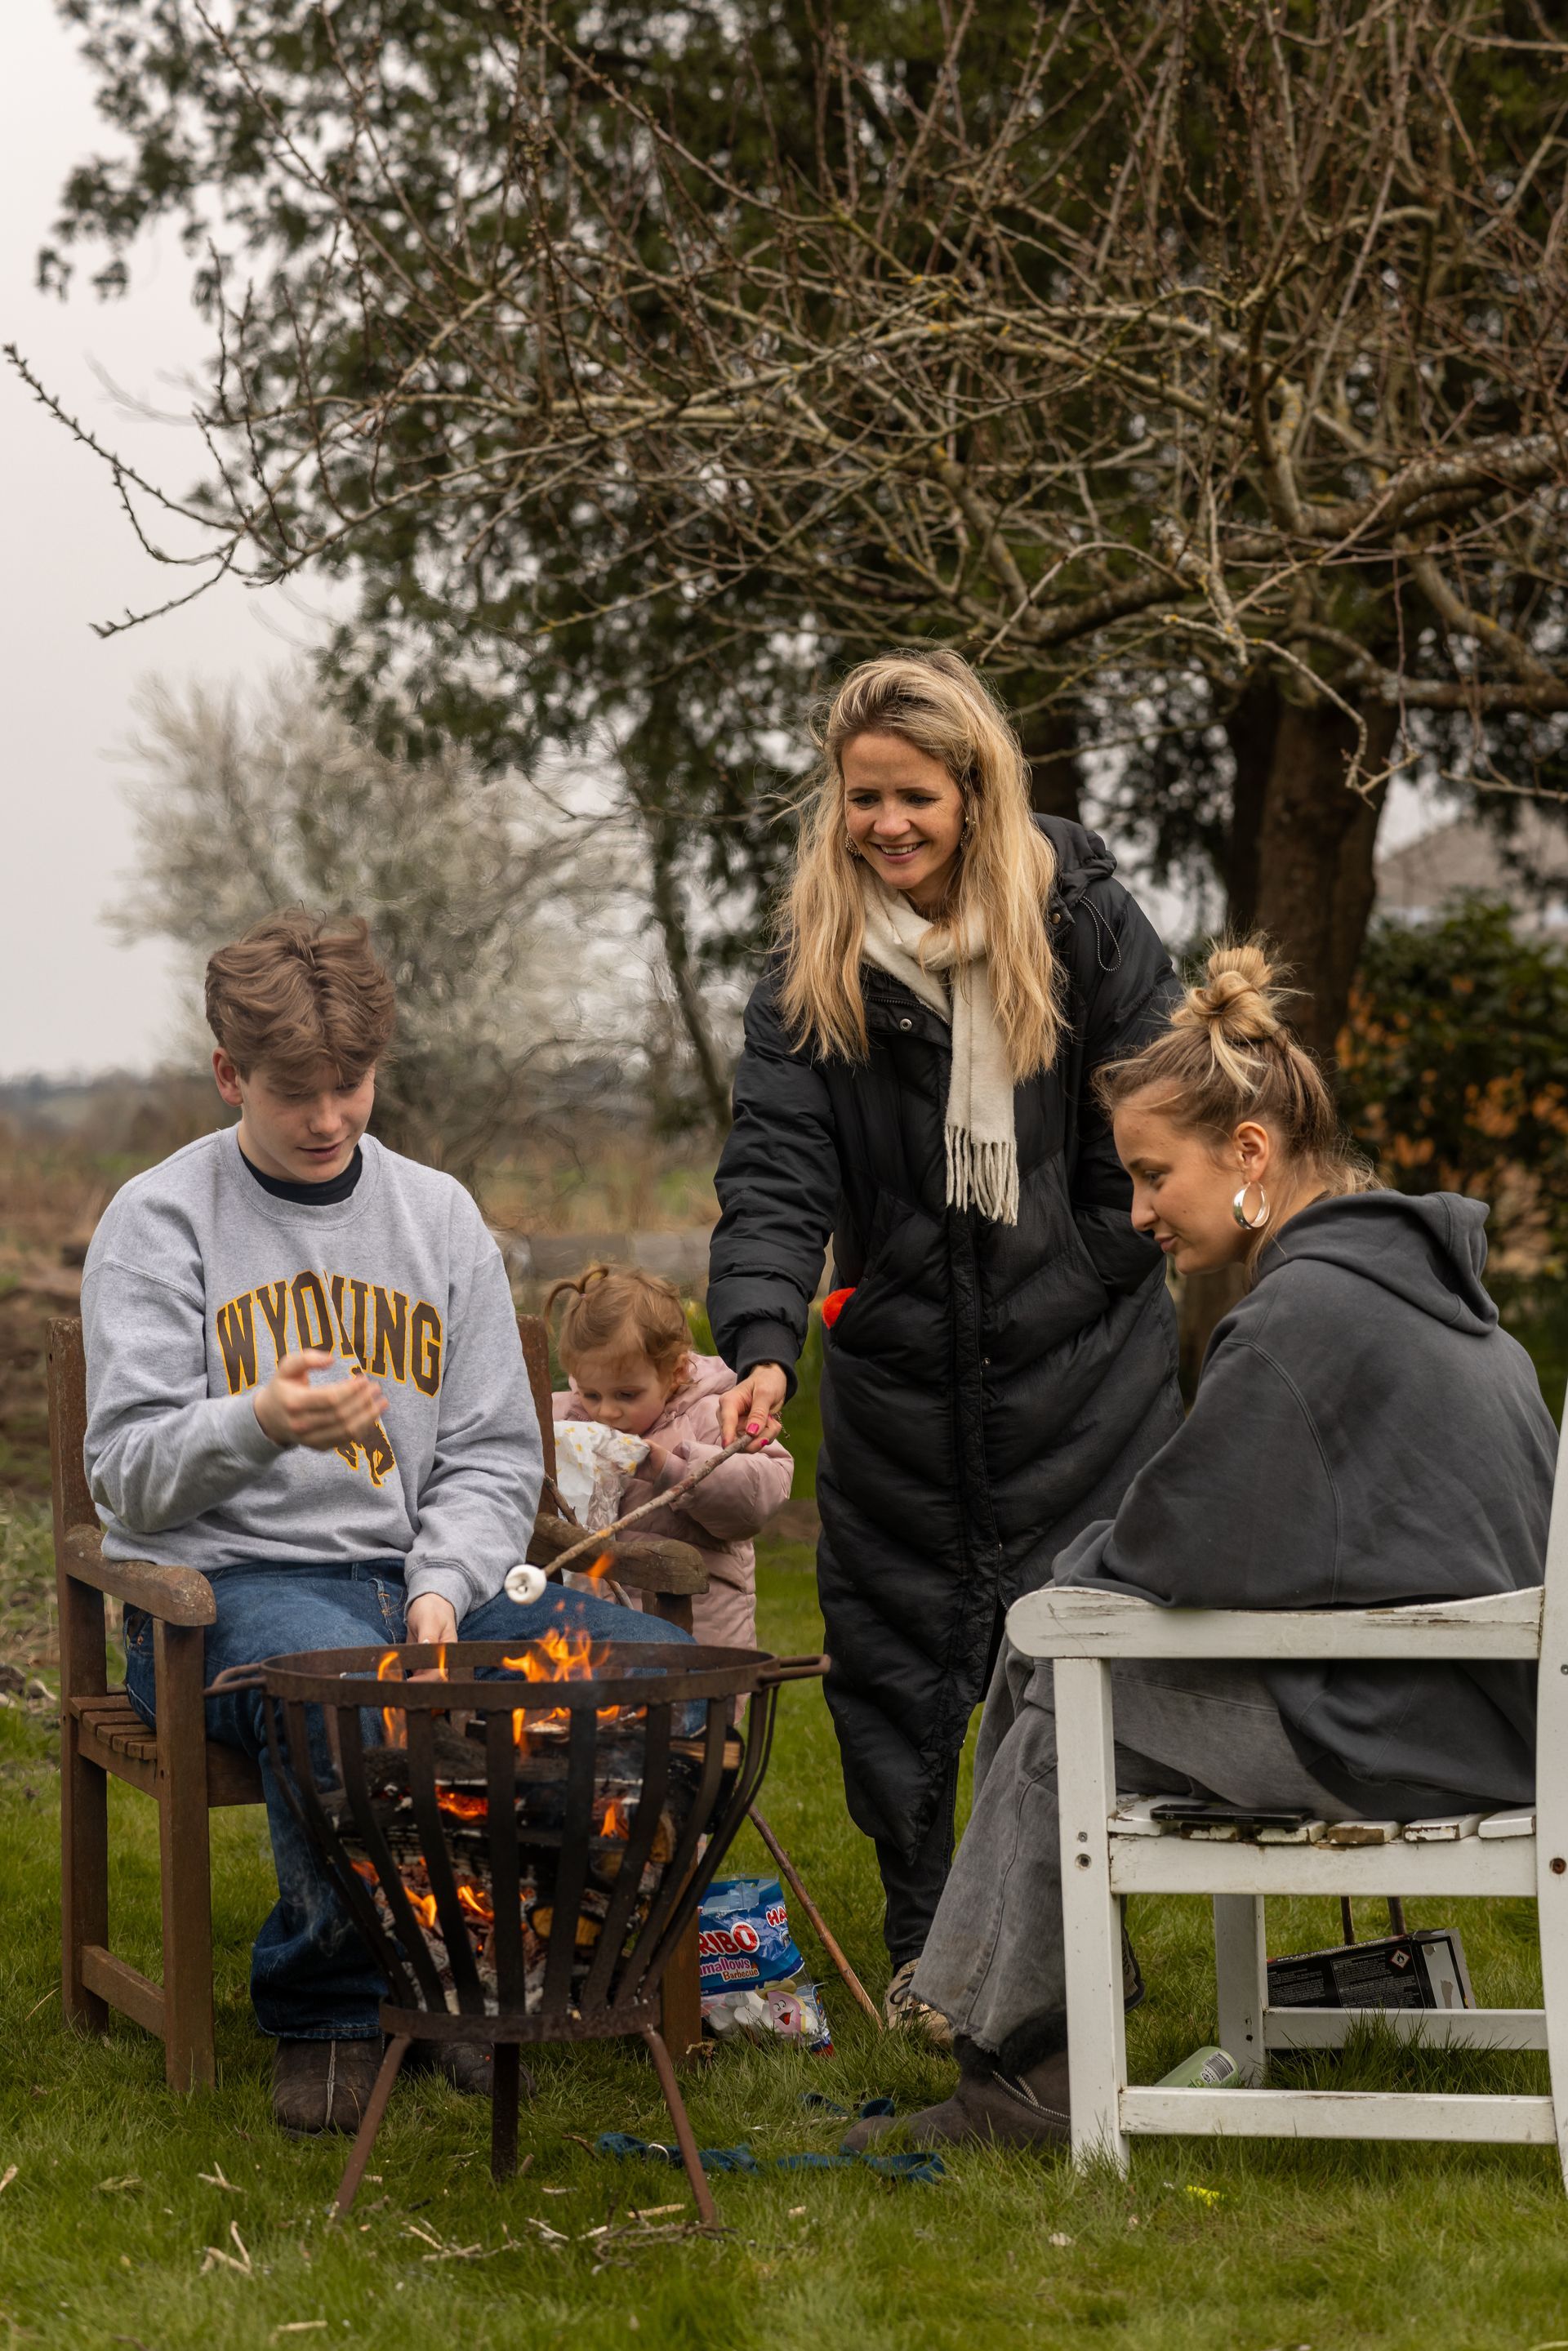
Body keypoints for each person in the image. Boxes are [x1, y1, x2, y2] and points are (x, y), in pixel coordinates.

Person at [844, 941, 1559, 2152]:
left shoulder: (1305, 1310)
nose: (1136, 1212)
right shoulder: (1425, 1291)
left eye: (1149, 1174)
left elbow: (1177, 1546)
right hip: (1491, 1706)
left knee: (1055, 1687)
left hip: (1418, 1730)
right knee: (1049, 1667)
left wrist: (1065, 1587)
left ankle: (1016, 2072)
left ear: (1249, 1153)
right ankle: (1033, 2033)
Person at [82, 911, 681, 2135]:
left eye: (350, 1085)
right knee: (342, 1695)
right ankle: (335, 2004)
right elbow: (126, 1479)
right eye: (294, 1090)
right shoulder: (160, 1220)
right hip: (222, 1597)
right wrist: (255, 1419)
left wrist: (444, 1585)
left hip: (419, 1581)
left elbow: (491, 1453)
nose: (327, 1118)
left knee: (665, 1676)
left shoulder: (438, 1216)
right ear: (227, 1074)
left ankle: (517, 1965)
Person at [707, 648, 1184, 2028]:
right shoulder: (813, 962)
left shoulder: (1081, 916)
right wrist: (761, 1345)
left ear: (976, 791)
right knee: (900, 1668)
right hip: (901, 1376)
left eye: (914, 795)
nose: (887, 825)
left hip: (1086, 1373)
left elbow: (1153, 1114)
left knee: (1066, 1672)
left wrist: (1091, 1258)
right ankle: (929, 1955)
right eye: (864, 798)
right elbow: (778, 1171)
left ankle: (1072, 1945)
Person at [546, 1262, 794, 1650]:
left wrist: (675, 1471)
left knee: (686, 1710)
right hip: (590, 1636)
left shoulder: (714, 1416)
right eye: (591, 1393)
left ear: (675, 1373)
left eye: (626, 1395)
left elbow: (763, 1491)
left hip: (697, 1633)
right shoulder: (564, 1417)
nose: (606, 1412)